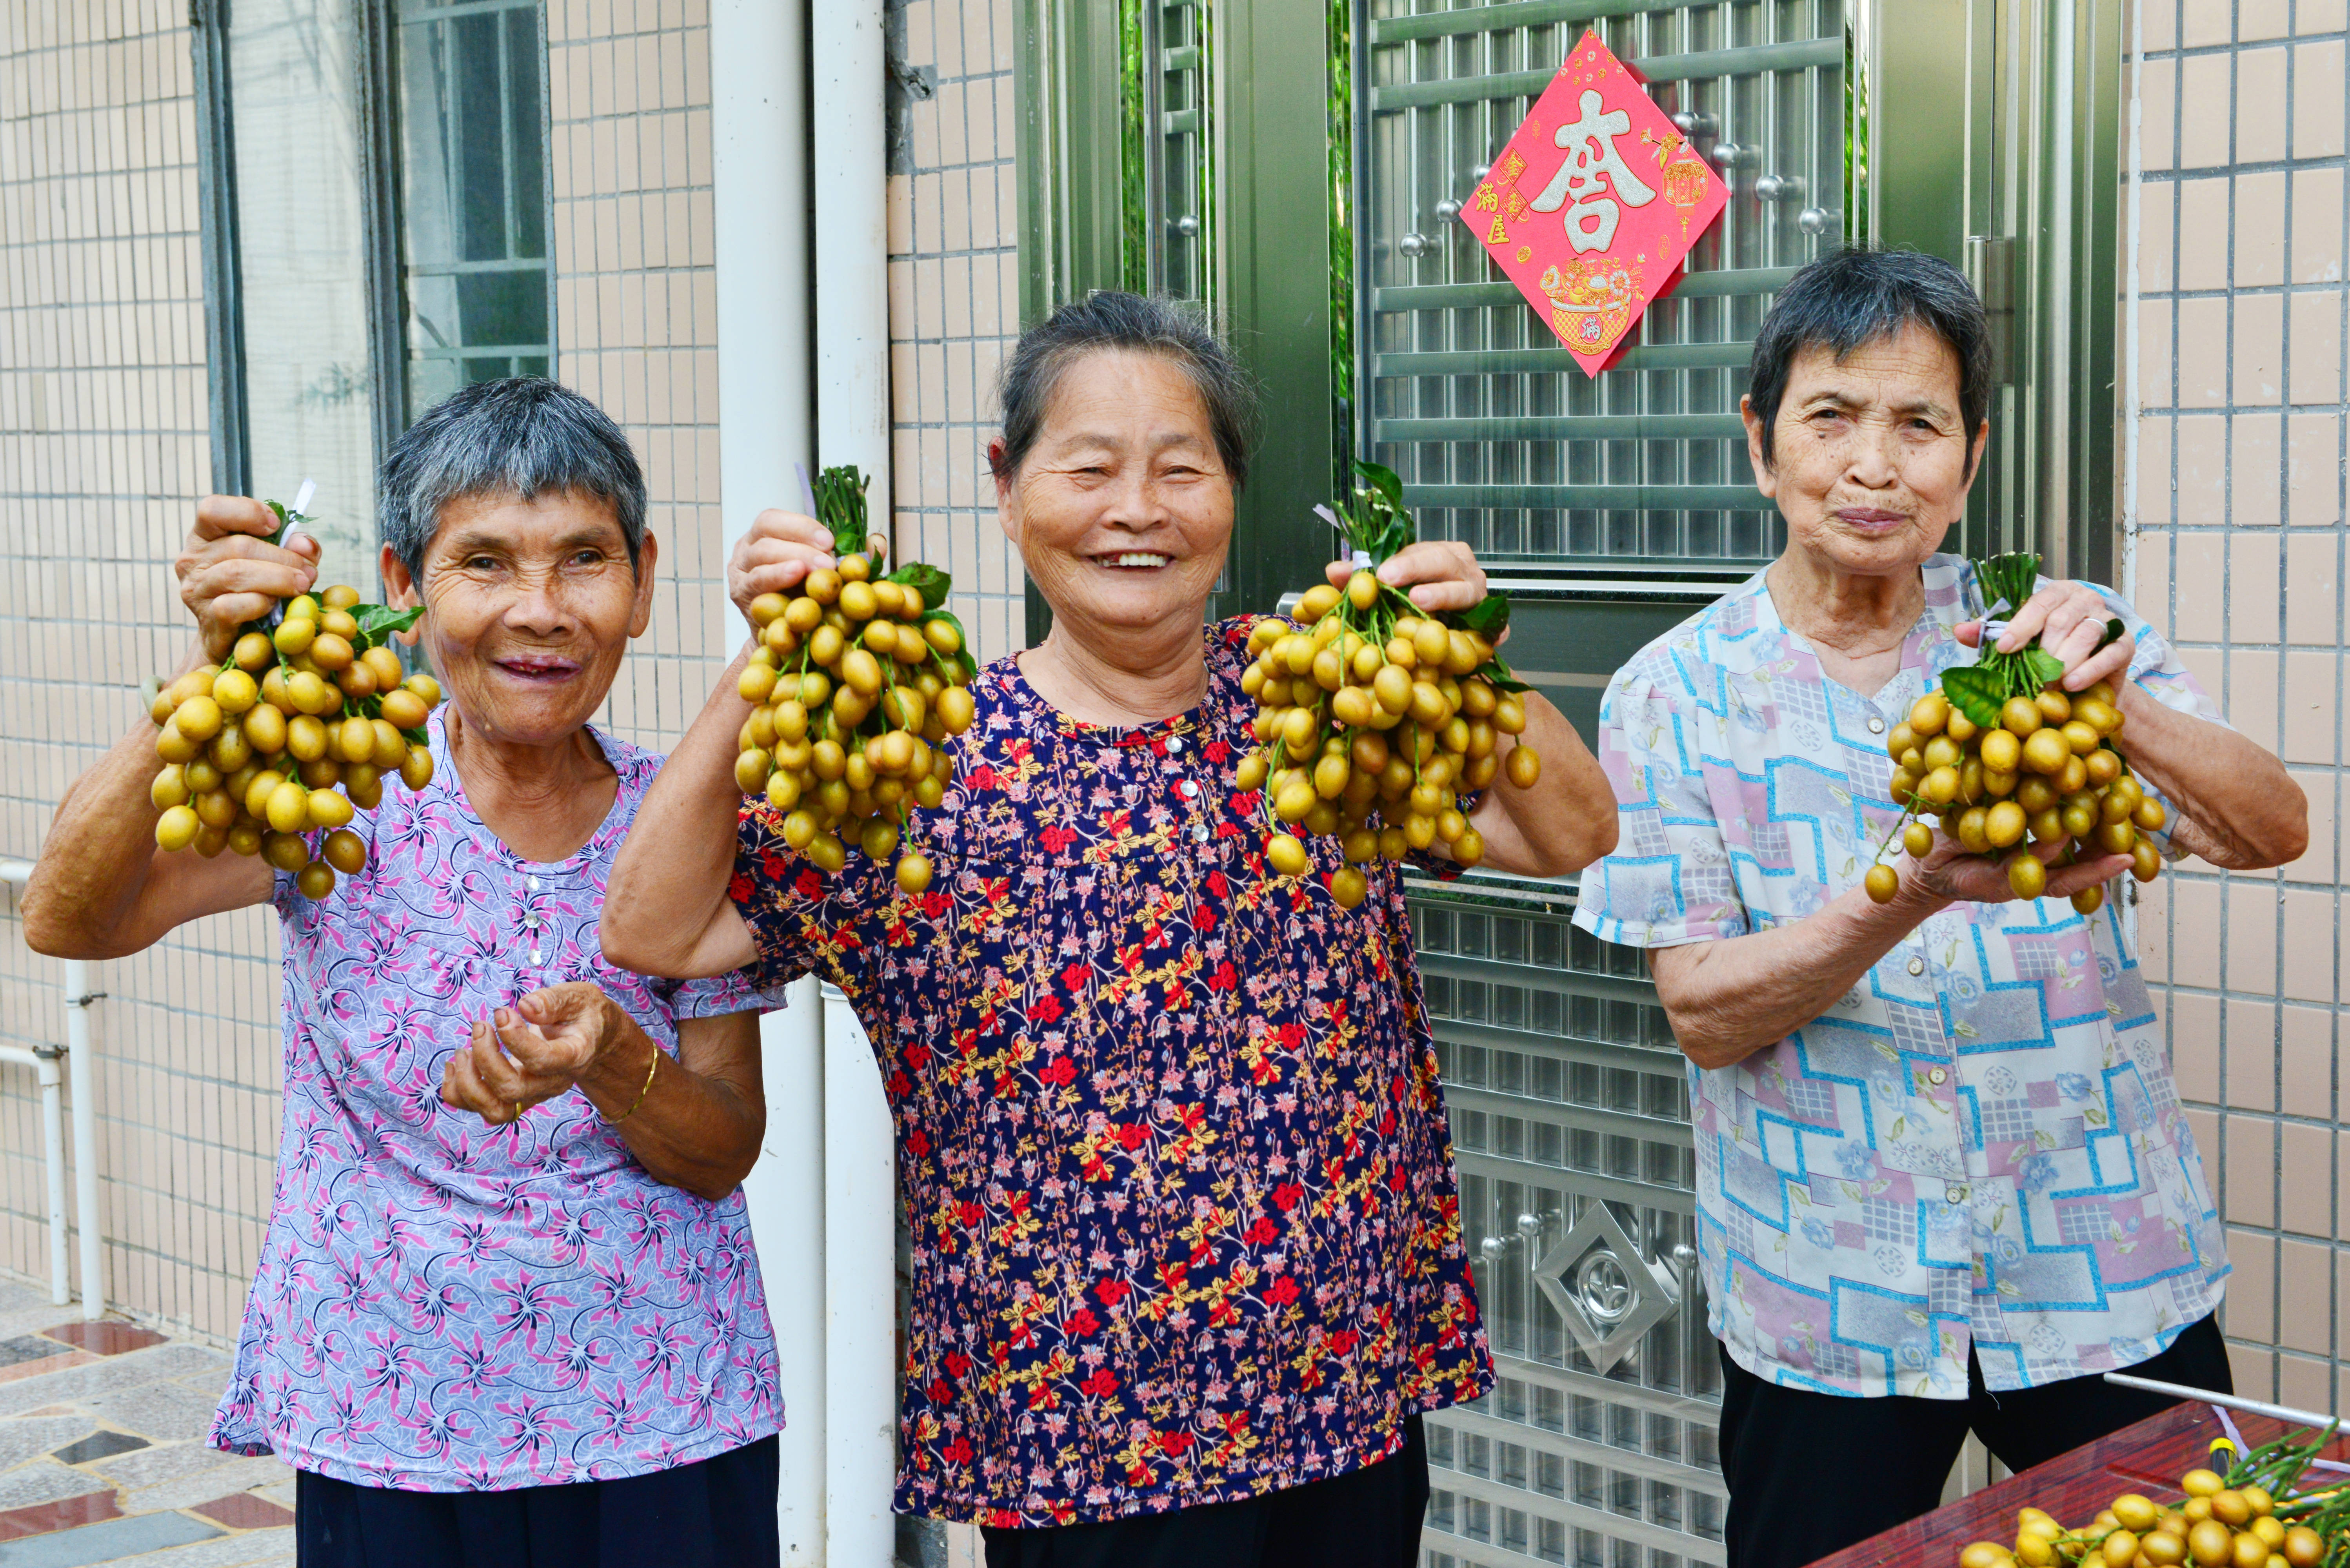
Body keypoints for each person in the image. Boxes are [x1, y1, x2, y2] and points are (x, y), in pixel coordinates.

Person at [599, 290, 1619, 1567]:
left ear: (1231, 496)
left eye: (1180, 469)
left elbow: (1570, 834)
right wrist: (761, 666)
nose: (1137, 509)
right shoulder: (911, 754)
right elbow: (654, 930)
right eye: (1088, 467)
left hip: (1340, 1388)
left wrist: (1467, 655)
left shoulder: (1316, 700)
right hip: (1073, 1427)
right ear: (1006, 484)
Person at [1571, 247, 2308, 1568]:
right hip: (1829, 1301)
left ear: (1968, 456)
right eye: (1832, 417)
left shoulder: (2051, 641)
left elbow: (2271, 827)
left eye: (1917, 424)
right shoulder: (1667, 695)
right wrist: (1908, 895)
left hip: (2101, 1270)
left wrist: (2115, 706)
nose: (1874, 465)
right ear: (1761, 443)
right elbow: (1705, 1015)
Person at [23, 378, 786, 1568]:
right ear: (400, 585)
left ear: (640, 578)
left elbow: (722, 1145)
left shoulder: (688, 826)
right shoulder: (343, 788)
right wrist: (208, 673)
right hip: (393, 1420)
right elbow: (68, 917)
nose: (539, 611)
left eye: (582, 560)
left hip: (666, 1415)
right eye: (484, 563)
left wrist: (612, 1056)